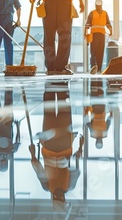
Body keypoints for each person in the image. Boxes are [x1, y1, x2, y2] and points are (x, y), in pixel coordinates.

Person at [28, 81, 83, 212]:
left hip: (55, 146)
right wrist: (80, 147)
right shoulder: (68, 185)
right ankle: (59, 82)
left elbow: (38, 169)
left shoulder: (51, 186)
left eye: (58, 198)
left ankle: (53, 82)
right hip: (60, 145)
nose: (60, 196)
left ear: (54, 198)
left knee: (52, 111)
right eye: (62, 198)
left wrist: (33, 154)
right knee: (56, 110)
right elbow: (76, 165)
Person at [0, 88, 20, 172]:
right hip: (2, 125)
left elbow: (17, 140)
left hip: (4, 125)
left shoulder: (9, 154)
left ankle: (7, 86)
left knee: (5, 103)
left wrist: (17, 126)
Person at [84, 0, 113, 74]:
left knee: (95, 51)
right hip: (99, 35)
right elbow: (109, 25)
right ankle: (97, 67)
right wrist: (110, 31)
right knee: (98, 51)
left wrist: (86, 37)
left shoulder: (93, 13)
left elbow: (87, 26)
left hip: (96, 35)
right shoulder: (103, 13)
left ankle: (95, 66)